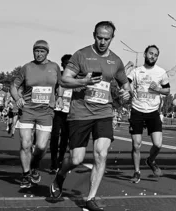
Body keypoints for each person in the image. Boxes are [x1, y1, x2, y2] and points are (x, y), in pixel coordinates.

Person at [50, 21, 132, 211]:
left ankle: (90, 198)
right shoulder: (82, 55)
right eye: (99, 38)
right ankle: (60, 175)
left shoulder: (116, 61)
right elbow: (64, 79)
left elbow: (125, 86)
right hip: (80, 112)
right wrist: (84, 80)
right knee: (76, 159)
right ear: (94, 35)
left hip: (104, 112)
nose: (102, 42)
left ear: (112, 38)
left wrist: (127, 93)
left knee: (101, 154)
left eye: (106, 39)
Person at [11, 40, 61, 188]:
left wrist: (60, 98)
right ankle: (26, 175)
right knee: (26, 144)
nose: (39, 54)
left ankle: (35, 166)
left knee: (41, 146)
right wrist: (17, 98)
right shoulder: (27, 67)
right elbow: (14, 86)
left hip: (46, 112)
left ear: (47, 52)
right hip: (28, 109)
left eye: (42, 51)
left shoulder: (54, 67)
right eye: (36, 51)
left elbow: (61, 85)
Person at [126, 45, 170, 183]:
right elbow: (125, 83)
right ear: (145, 54)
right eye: (151, 53)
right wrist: (129, 91)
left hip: (153, 111)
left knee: (158, 144)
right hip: (137, 110)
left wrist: (158, 89)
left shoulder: (161, 72)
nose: (153, 56)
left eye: (156, 55)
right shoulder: (136, 71)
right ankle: (137, 172)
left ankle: (150, 160)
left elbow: (167, 90)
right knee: (136, 144)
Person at [50, 54, 73, 173]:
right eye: (66, 64)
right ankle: (53, 163)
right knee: (54, 136)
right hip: (57, 110)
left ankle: (60, 161)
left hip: (69, 112)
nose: (68, 65)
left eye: (71, 63)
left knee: (65, 138)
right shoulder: (57, 77)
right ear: (62, 65)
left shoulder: (76, 77)